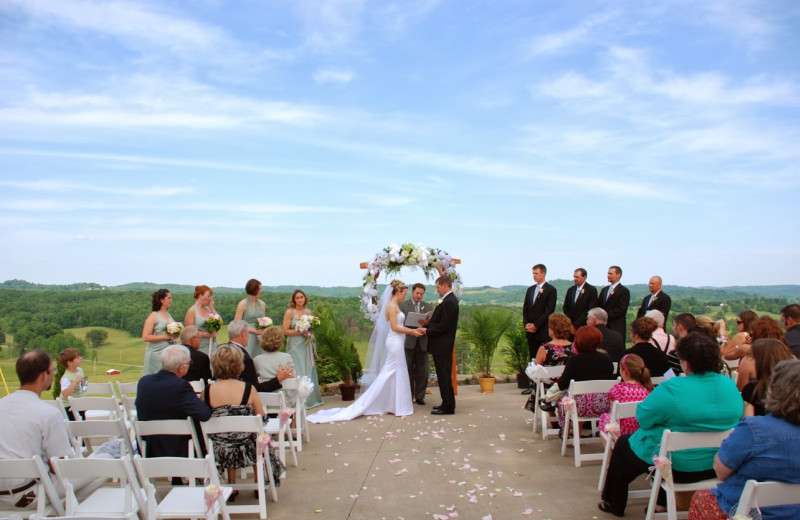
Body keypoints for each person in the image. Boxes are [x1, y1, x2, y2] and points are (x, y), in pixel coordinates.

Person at [598, 332, 743, 517]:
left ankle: (614, 502)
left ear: (687, 363)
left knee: (624, 445)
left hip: (677, 468)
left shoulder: (673, 388)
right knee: (658, 443)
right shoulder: (729, 385)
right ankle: (660, 503)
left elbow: (643, 417)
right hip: (718, 464)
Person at [688, 359, 800, 520]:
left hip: (747, 513)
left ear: (775, 390)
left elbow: (721, 470)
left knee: (702, 498)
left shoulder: (754, 429)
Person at [308, 280, 423, 423]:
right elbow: (394, 327)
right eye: (404, 294)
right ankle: (382, 402)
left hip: (397, 341)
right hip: (395, 342)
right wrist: (412, 331)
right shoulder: (392, 307)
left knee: (395, 372)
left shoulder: (394, 306)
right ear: (398, 293)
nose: (405, 296)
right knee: (391, 372)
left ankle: (394, 403)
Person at [0, 350, 81, 510]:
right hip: (30, 494)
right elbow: (59, 464)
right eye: (53, 371)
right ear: (44, 375)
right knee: (101, 466)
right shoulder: (48, 414)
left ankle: (63, 508)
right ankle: (65, 510)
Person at [202, 344, 283, 496]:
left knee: (229, 436)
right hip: (247, 445)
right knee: (254, 436)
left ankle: (232, 484)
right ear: (239, 365)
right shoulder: (248, 388)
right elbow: (262, 418)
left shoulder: (206, 391)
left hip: (219, 448)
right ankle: (258, 482)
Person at [135, 345, 212, 462]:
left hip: (148, 446)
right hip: (178, 449)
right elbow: (204, 414)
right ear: (181, 368)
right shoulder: (180, 385)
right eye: (189, 363)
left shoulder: (144, 382)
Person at [554, 326, 615, 430]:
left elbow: (562, 384)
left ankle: (568, 431)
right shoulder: (607, 359)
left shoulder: (575, 360)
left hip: (579, 407)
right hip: (604, 406)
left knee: (561, 400)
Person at [422, 275, 460, 415]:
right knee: (442, 376)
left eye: (438, 287)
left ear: (445, 285)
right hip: (441, 346)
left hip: (443, 346)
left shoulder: (450, 302)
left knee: (444, 376)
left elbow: (444, 326)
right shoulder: (447, 300)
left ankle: (449, 406)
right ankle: (446, 402)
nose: (437, 290)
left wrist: (427, 330)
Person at [221, 320, 293, 393]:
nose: (248, 337)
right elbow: (254, 389)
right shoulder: (244, 357)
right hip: (238, 397)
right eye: (248, 333)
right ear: (243, 333)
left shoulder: (220, 350)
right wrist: (278, 379)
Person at [282, 290, 324, 409]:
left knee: (307, 368)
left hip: (306, 345)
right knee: (297, 368)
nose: (300, 300)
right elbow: (285, 330)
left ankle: (310, 399)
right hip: (295, 345)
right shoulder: (290, 312)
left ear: (305, 299)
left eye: (302, 297)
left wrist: (310, 333)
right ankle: (296, 400)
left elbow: (312, 328)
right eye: (297, 298)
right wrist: (300, 331)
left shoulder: (308, 312)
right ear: (294, 300)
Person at [597, 354, 653, 437]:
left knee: (604, 418)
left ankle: (611, 450)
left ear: (624, 372)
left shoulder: (617, 389)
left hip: (622, 432)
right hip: (642, 429)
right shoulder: (648, 389)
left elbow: (613, 412)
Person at [522, 264, 556, 394]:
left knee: (542, 359)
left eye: (536, 273)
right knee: (532, 358)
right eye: (533, 273)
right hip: (530, 330)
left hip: (541, 330)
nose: (534, 276)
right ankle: (532, 386)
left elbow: (549, 310)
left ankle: (542, 386)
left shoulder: (550, 290)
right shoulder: (530, 290)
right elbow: (525, 308)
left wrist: (536, 325)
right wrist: (527, 324)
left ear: (543, 274)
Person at [740, 338, 794, 417]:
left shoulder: (753, 390)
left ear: (761, 362)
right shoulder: (794, 387)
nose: (749, 361)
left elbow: (747, 421)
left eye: (752, 358)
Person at [399, 283, 432, 405]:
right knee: (407, 370)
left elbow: (431, 323)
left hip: (422, 342)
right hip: (408, 341)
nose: (419, 296)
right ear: (412, 292)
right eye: (417, 293)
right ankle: (408, 396)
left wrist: (426, 323)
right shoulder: (403, 305)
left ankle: (420, 397)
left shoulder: (428, 306)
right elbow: (399, 324)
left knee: (422, 371)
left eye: (421, 294)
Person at [736, 316, 788, 391]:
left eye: (751, 334)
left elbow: (740, 391)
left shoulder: (749, 362)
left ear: (757, 336)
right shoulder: (791, 358)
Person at [142, 288, 179, 376]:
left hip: (168, 352)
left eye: (171, 298)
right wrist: (166, 337)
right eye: (169, 298)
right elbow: (145, 337)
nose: (171, 300)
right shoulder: (154, 315)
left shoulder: (168, 314)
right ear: (161, 300)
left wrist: (175, 336)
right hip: (156, 353)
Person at [234, 278, 267, 359]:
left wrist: (262, 329)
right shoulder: (243, 304)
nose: (261, 291)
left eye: (261, 289)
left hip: (259, 336)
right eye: (259, 288)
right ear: (253, 288)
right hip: (247, 335)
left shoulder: (262, 304)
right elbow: (237, 323)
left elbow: (263, 321)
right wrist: (254, 331)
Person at [184, 285, 219, 356]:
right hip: (200, 346)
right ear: (200, 296)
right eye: (208, 296)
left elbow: (220, 321)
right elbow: (189, 332)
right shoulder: (192, 311)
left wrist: (212, 308)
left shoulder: (208, 309)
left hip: (213, 344)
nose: (210, 299)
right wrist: (208, 334)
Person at [563, 268, 599, 334]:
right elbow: (565, 307)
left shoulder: (591, 290)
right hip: (570, 327)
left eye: (577, 277)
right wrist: (570, 323)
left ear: (584, 277)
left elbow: (590, 310)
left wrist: (575, 325)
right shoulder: (571, 290)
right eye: (574, 277)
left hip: (584, 326)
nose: (575, 279)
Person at [598, 266, 630, 339]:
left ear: (618, 275)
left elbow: (621, 309)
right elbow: (599, 306)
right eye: (608, 273)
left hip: (616, 326)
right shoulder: (604, 290)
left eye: (611, 274)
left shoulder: (623, 291)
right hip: (603, 326)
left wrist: (605, 316)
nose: (608, 276)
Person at [57, 348, 86, 421]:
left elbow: (83, 387)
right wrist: (75, 382)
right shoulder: (66, 378)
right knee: (74, 426)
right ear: (70, 363)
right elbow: (66, 395)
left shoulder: (80, 370)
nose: (81, 358)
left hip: (79, 403)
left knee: (82, 423)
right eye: (77, 358)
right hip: (69, 407)